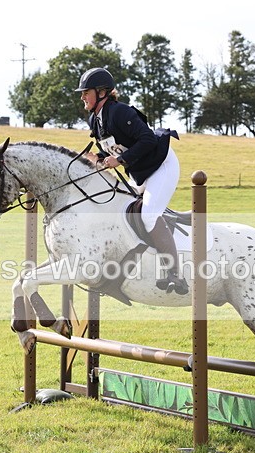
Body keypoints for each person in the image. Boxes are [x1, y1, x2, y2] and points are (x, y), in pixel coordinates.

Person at [75, 67, 188, 295]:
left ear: (102, 92)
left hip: (161, 165)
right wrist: (96, 158)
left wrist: (121, 159)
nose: (82, 97)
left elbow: (147, 139)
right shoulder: (95, 120)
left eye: (86, 92)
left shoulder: (120, 112)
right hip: (141, 172)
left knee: (148, 214)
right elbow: (110, 149)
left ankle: (175, 273)